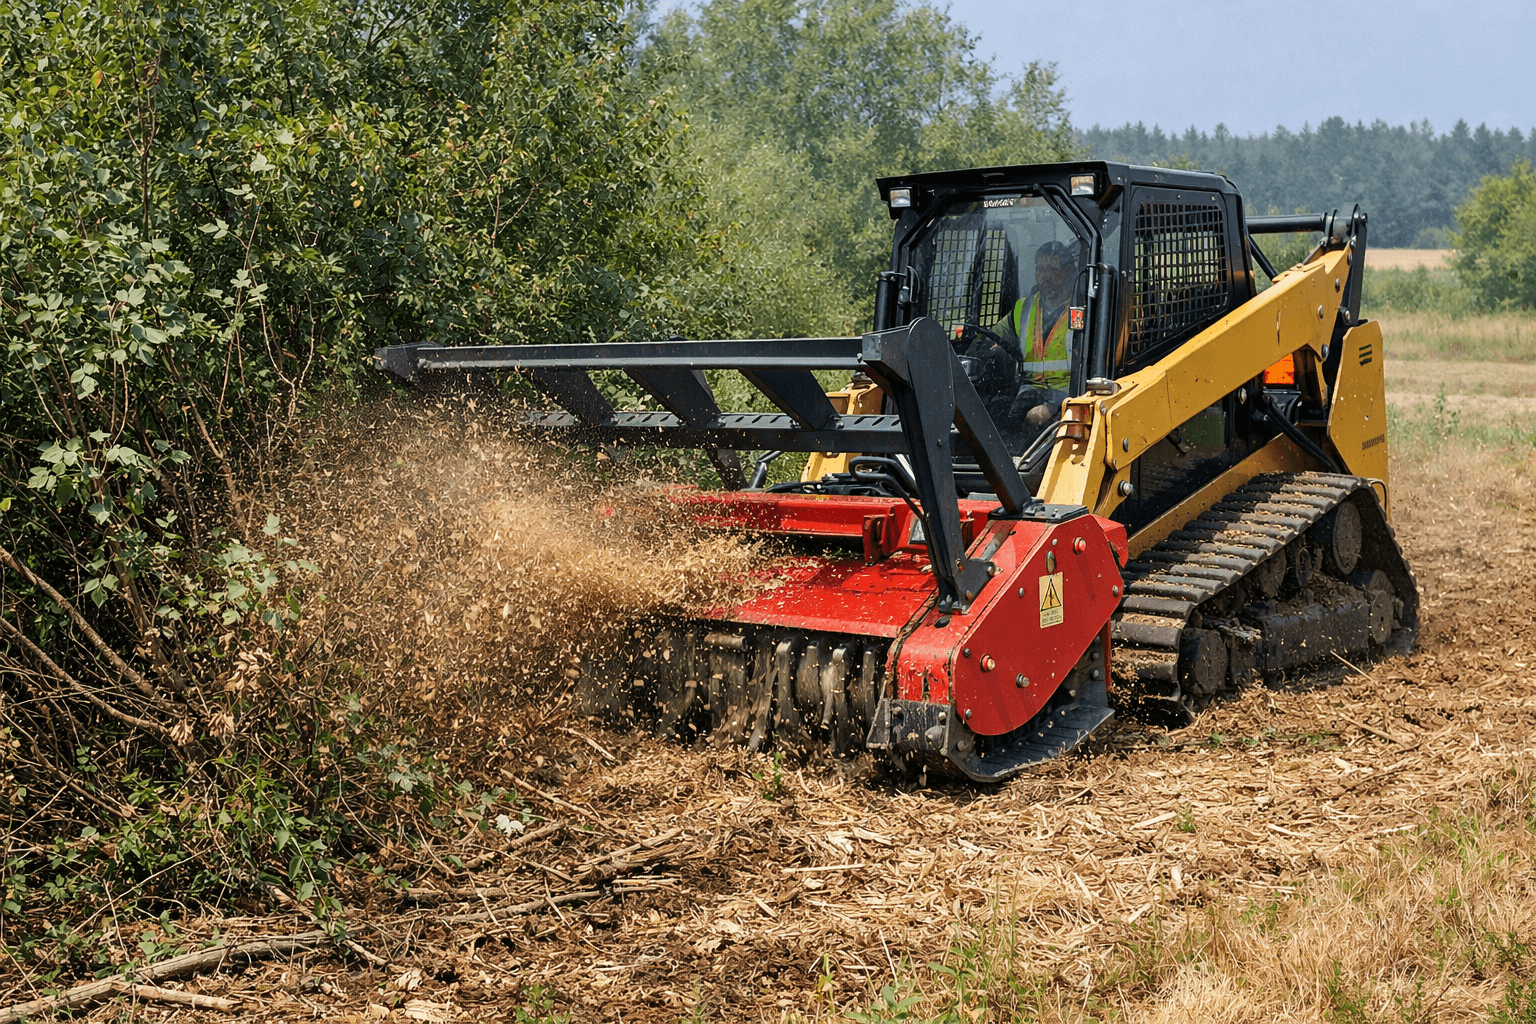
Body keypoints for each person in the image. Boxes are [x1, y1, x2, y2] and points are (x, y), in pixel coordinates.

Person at [990, 240, 1079, 433]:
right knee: (997, 414)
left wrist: (1057, 405)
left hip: (1069, 393)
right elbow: (992, 336)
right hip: (1029, 390)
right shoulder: (1023, 307)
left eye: (1052, 270)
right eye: (1040, 269)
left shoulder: (1082, 309)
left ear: (1069, 272)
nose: (1045, 277)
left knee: (1035, 417)